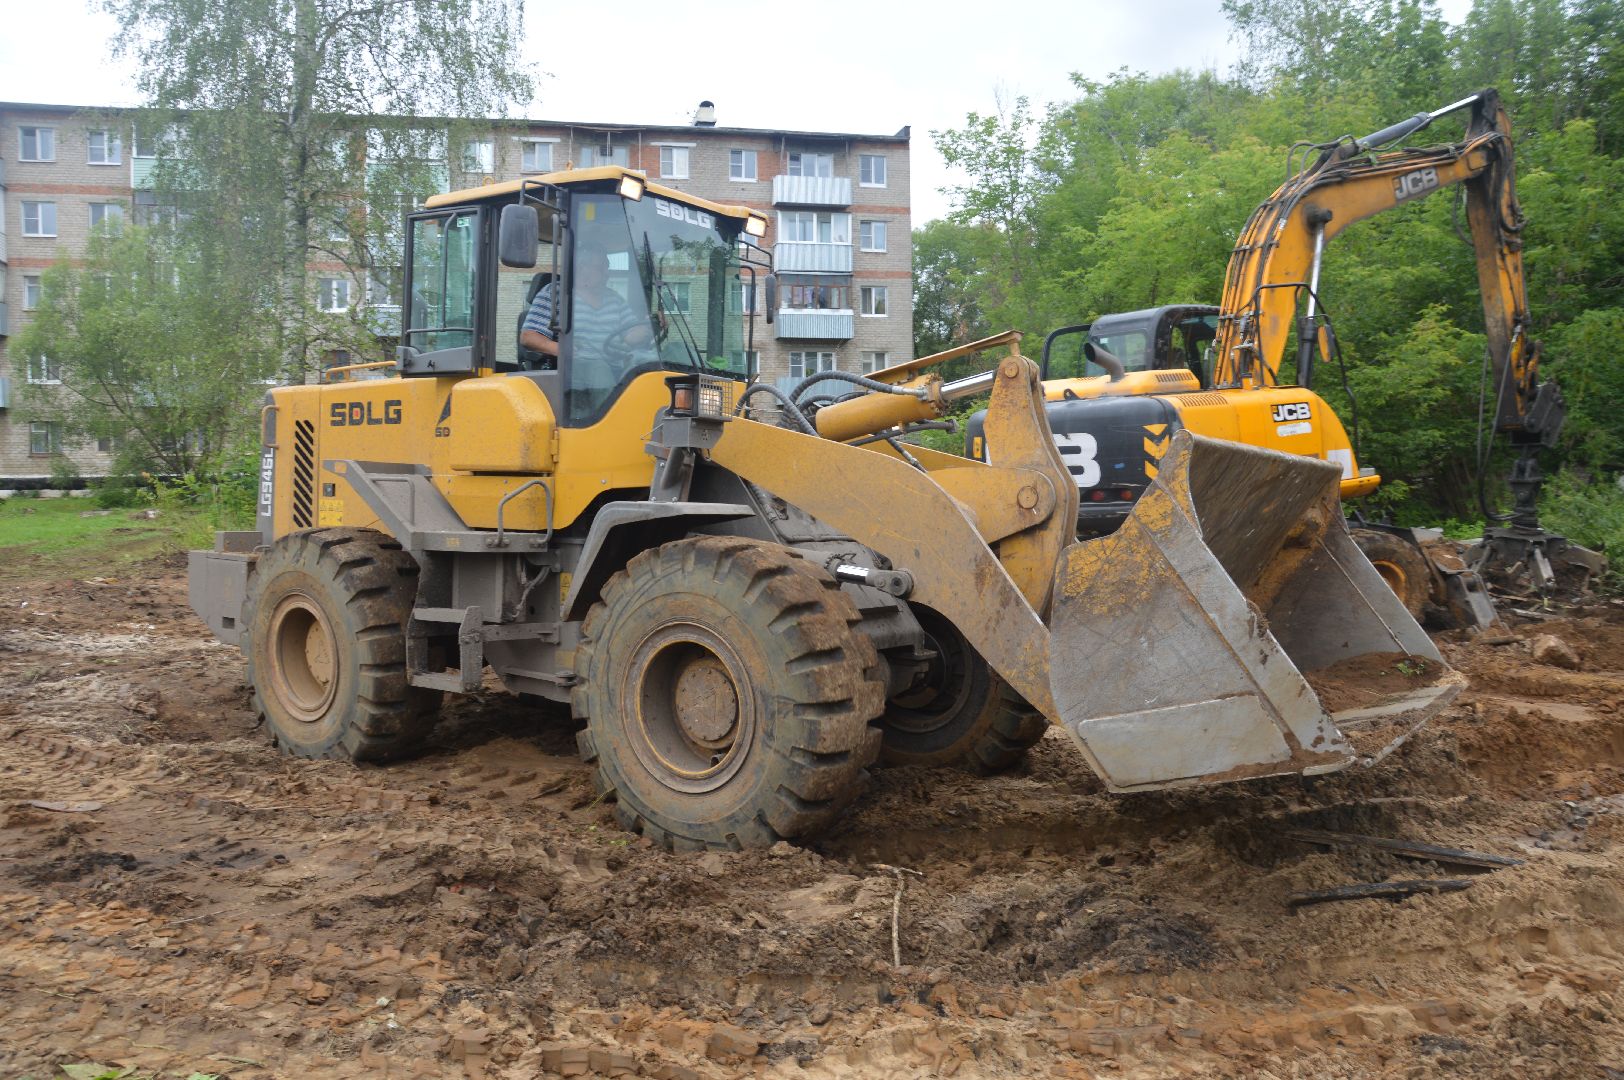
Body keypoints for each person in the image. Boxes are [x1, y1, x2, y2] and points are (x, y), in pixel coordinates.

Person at [519, 249, 658, 385]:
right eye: (601, 267)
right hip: (575, 369)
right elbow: (529, 336)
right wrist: (562, 349)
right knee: (599, 369)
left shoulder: (614, 298)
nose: (607, 273)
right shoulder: (555, 292)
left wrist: (648, 326)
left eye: (607, 268)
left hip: (614, 366)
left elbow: (630, 337)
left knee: (652, 363)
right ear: (581, 268)